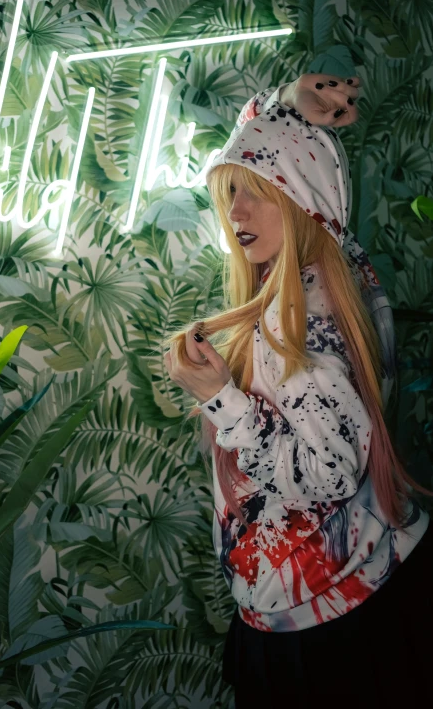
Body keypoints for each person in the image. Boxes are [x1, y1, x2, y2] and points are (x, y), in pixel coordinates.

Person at [161, 73, 433, 707]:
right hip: (342, 598)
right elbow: (303, 177)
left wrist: (223, 400)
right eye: (231, 194)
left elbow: (328, 474)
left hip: (334, 632)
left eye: (258, 195)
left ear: (303, 202)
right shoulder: (341, 269)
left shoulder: (304, 328)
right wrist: (285, 106)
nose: (236, 214)